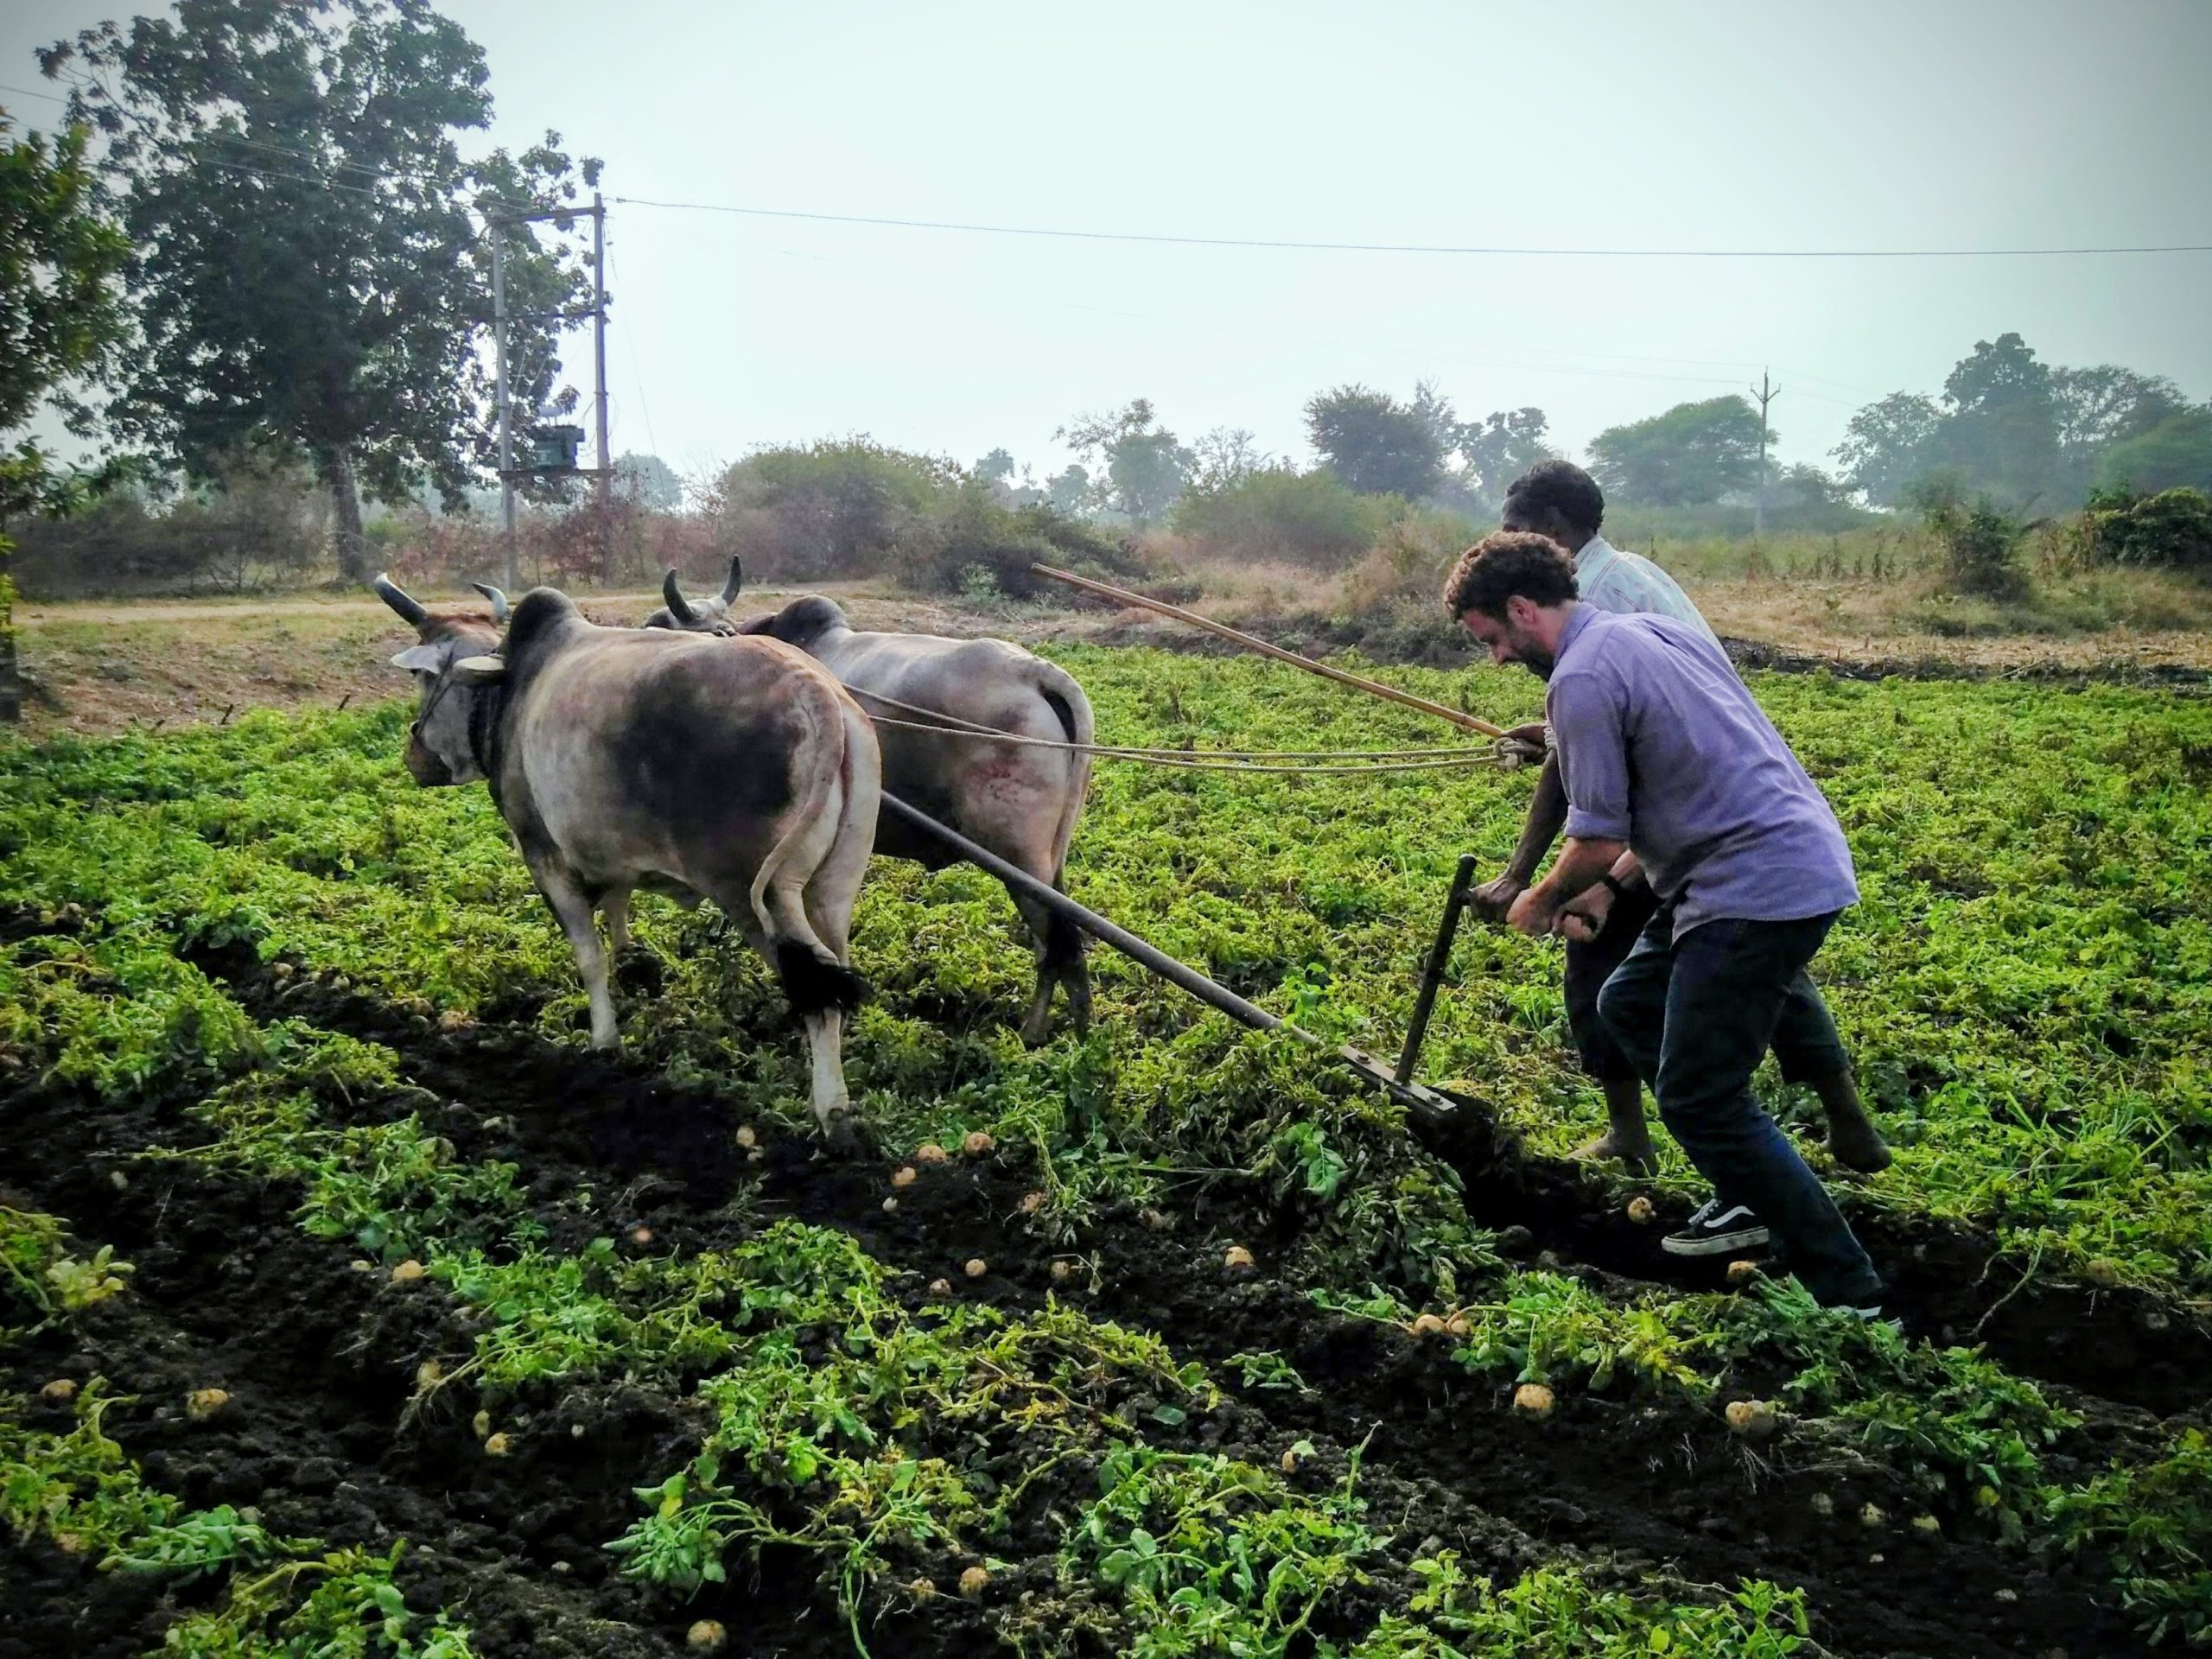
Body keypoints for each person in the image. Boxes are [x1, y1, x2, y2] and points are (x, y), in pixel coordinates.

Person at [1443, 531, 1885, 1309]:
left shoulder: (1580, 677)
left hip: (1753, 886)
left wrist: (1538, 900)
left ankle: (1849, 1290)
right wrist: (1606, 892)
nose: (1499, 659)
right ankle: (1747, 1189)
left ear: (1521, 609)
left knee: (1698, 1095)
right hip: (1764, 859)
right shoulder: (1647, 633)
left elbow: (1596, 835)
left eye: (1493, 639)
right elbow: (1679, 782)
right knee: (1629, 1001)